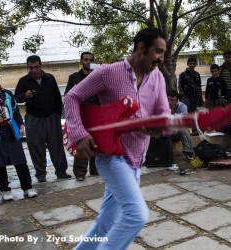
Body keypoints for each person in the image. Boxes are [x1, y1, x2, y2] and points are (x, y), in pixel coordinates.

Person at [64, 28, 171, 250]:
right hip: (111, 156)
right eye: (158, 51)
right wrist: (79, 133)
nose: (161, 58)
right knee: (136, 215)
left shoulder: (157, 77)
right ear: (141, 47)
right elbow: (72, 96)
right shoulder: (109, 72)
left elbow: (163, 115)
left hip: (136, 162)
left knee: (106, 222)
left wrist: (161, 126)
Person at [14, 55, 71, 182]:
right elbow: (16, 98)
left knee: (56, 145)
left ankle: (61, 171)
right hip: (34, 118)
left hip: (51, 117)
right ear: (27, 67)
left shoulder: (50, 78)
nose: (34, 70)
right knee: (36, 146)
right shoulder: (24, 81)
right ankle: (41, 174)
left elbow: (57, 97)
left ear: (41, 65)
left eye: (36, 67)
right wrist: (25, 95)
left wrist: (58, 114)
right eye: (31, 68)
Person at [0, 67, 37, 201]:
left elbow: (15, 111)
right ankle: (5, 190)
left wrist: (21, 125)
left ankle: (28, 188)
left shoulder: (7, 94)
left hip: (10, 131)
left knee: (20, 161)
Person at [64, 52, 99, 181]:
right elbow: (68, 94)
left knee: (96, 141)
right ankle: (80, 173)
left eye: (90, 59)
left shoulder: (98, 75)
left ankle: (96, 169)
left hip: (96, 112)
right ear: (81, 61)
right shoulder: (74, 77)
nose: (88, 62)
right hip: (81, 113)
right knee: (82, 142)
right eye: (86, 59)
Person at [167, 90, 194, 160]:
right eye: (168, 99)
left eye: (172, 100)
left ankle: (188, 152)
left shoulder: (183, 107)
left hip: (177, 132)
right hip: (165, 132)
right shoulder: (163, 106)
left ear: (177, 101)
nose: (169, 102)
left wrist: (173, 114)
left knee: (183, 129)